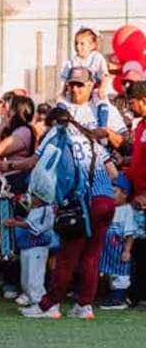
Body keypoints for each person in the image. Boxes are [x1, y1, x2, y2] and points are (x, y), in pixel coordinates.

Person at [22, 108, 117, 320]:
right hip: (107, 199)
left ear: (54, 121)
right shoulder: (90, 138)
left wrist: (7, 165)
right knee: (91, 257)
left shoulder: (58, 133)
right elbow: (113, 173)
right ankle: (84, 305)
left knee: (67, 257)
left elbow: (33, 163)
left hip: (82, 202)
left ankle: (49, 305)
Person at [2, 185, 56, 308]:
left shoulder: (45, 210)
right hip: (27, 247)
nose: (32, 198)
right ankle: (33, 301)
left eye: (34, 196)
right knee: (25, 281)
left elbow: (32, 227)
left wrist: (14, 223)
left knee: (34, 279)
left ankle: (40, 303)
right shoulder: (36, 209)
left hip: (37, 248)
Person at [59, 66, 125, 151]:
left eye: (79, 84)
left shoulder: (104, 108)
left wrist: (107, 133)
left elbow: (126, 145)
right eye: (71, 85)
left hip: (101, 161)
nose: (74, 89)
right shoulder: (61, 107)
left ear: (91, 85)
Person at [97, 175, 138, 311]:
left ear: (125, 194)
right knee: (106, 273)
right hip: (106, 249)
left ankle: (119, 299)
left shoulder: (127, 210)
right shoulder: (109, 207)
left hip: (119, 250)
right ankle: (109, 296)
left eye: (114, 192)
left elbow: (129, 234)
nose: (111, 195)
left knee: (120, 275)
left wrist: (127, 250)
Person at [0, 95, 39, 196]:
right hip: (11, 179)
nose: (5, 112)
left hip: (17, 179)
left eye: (8, 108)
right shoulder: (17, 130)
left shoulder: (23, 132)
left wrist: (2, 124)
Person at [59, 27, 109, 97]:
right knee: (62, 104)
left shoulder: (97, 58)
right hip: (77, 95)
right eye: (76, 43)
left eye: (82, 44)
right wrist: (63, 93)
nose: (78, 46)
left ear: (92, 45)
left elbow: (105, 76)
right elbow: (66, 81)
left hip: (94, 93)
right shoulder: (72, 61)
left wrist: (102, 89)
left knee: (101, 103)